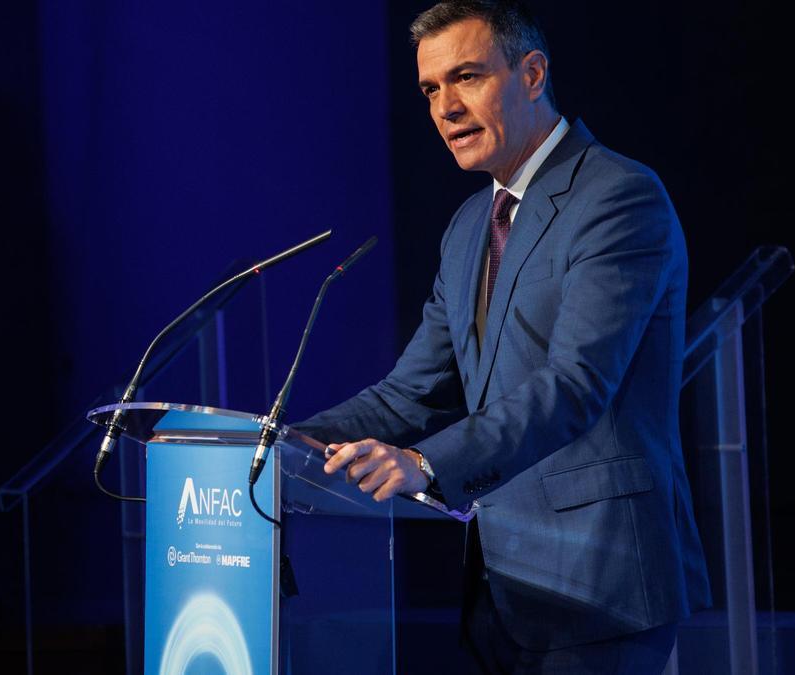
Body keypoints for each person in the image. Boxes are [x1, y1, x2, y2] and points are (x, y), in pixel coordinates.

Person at [292, 1, 710, 672]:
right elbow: (411, 393)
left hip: (601, 585)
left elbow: (575, 385)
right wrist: (285, 443)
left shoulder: (618, 197)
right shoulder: (467, 227)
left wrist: (426, 465)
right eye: (430, 89)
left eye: (467, 77)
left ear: (533, 73)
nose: (445, 107)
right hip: (502, 592)